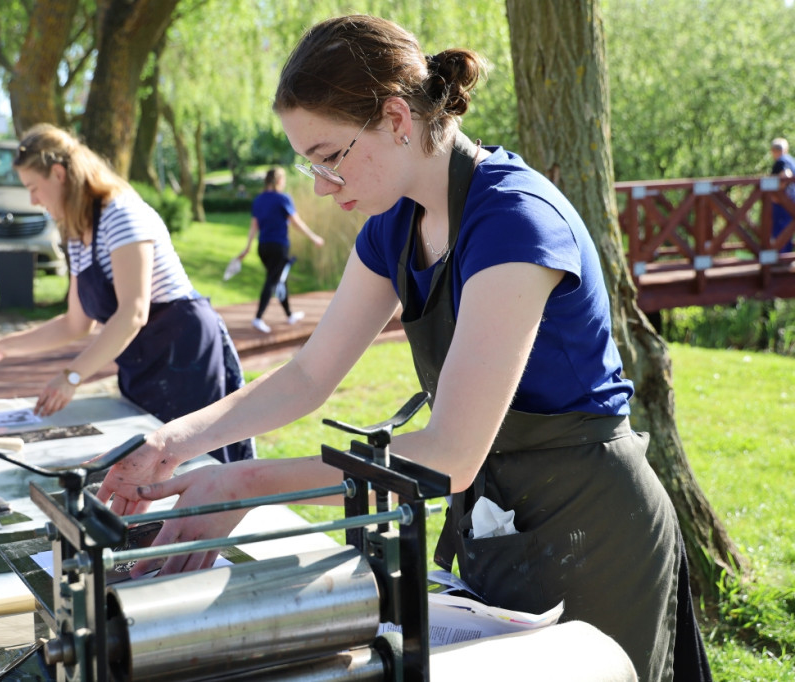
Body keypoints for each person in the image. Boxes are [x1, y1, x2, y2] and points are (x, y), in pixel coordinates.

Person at [96, 15, 711, 682]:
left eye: (330, 157)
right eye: (309, 164)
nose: (324, 188)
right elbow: (307, 376)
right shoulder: (395, 225)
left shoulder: (516, 221)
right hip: (500, 528)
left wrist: (247, 480)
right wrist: (173, 444)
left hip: (593, 531)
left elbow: (449, 456)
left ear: (395, 118)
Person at [0, 123, 253, 463]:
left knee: (193, 465)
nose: (33, 200)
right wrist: (0, 348)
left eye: (33, 187)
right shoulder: (77, 232)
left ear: (58, 174)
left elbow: (133, 312)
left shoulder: (121, 214)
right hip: (140, 359)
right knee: (148, 465)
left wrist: (72, 376)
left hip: (183, 351)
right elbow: (75, 324)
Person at [238, 166, 324, 333]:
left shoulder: (258, 200)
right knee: (272, 280)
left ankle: (290, 315)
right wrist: (314, 237)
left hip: (263, 247)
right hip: (279, 247)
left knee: (279, 279)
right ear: (278, 181)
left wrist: (247, 247)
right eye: (283, 180)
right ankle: (258, 318)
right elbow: (297, 222)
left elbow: (253, 227)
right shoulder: (283, 199)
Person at [770, 137, 795, 253]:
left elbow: (786, 175)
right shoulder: (791, 160)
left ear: (773, 151)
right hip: (791, 202)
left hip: (782, 204)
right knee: (787, 231)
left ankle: (781, 258)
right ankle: (785, 256)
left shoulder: (781, 161)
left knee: (780, 231)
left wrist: (777, 192)